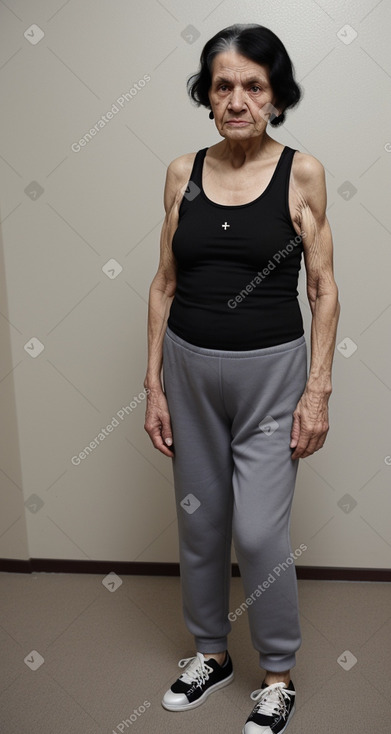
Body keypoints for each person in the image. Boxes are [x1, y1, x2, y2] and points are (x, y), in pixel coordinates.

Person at [144, 23, 340, 734]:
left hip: (271, 376)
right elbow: (163, 285)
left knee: (257, 533)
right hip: (188, 368)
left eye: (252, 86)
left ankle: (278, 672)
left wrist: (316, 391)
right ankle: (209, 653)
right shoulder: (179, 172)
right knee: (201, 525)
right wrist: (154, 385)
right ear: (207, 95)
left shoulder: (303, 172)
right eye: (222, 85)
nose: (236, 99)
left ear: (275, 97)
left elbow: (322, 288)